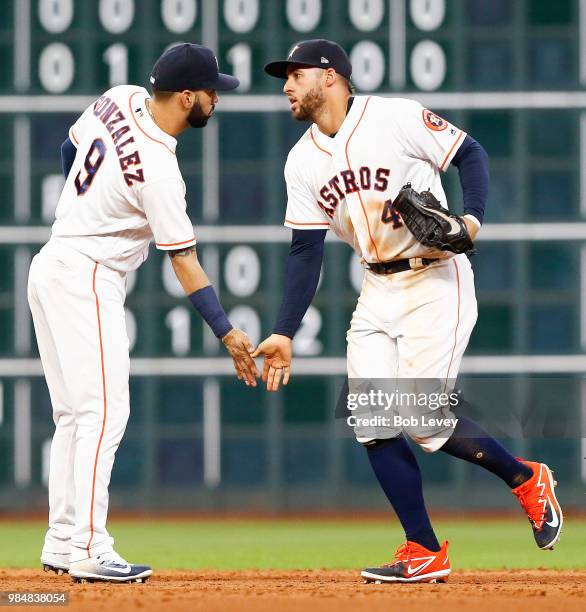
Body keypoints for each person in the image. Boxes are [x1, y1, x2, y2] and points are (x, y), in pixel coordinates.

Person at [254, 39, 563, 583]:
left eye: (295, 75)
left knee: (423, 422)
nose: (286, 85)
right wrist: (284, 331)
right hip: (376, 287)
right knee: (372, 420)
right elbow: (306, 251)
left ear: (330, 78)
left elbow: (470, 153)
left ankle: (525, 479)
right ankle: (422, 548)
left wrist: (471, 221)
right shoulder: (300, 161)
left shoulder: (393, 118)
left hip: (435, 279)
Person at [28, 43, 258, 584]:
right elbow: (185, 263)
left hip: (52, 261)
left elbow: (70, 149)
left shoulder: (120, 97)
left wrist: (87, 209)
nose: (215, 99)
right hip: (87, 274)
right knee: (103, 415)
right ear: (185, 97)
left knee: (73, 415)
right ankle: (88, 546)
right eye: (210, 91)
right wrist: (226, 332)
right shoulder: (159, 169)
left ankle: (63, 540)